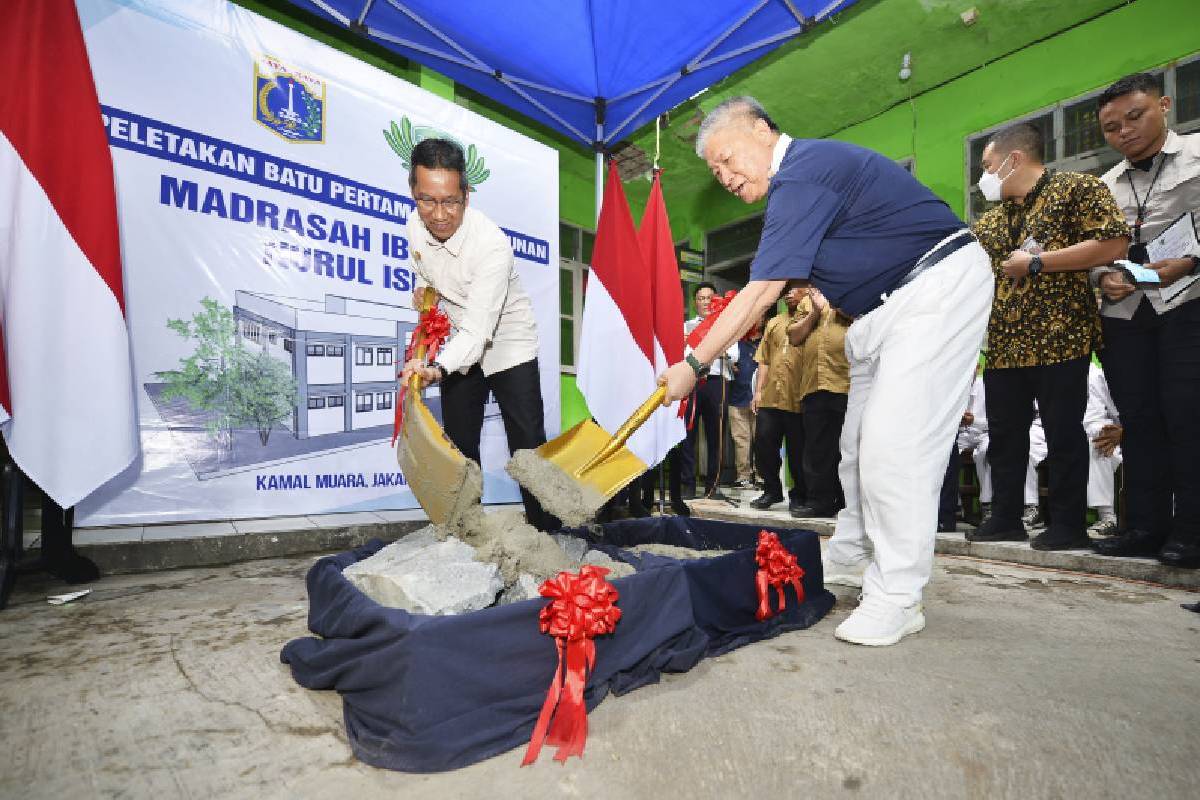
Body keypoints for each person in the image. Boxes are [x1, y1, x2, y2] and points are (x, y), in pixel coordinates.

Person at [659, 96, 993, 647]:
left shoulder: (804, 172)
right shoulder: (797, 188)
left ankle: (898, 596)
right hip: (872, 316)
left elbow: (760, 292)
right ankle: (852, 552)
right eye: (714, 171)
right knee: (857, 449)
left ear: (764, 130)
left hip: (933, 289)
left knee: (895, 448)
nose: (723, 175)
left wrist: (693, 364)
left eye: (727, 157)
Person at [967, 122, 1129, 551]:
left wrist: (1040, 263)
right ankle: (1004, 517)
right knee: (1004, 435)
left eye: (986, 166)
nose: (982, 177)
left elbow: (1113, 243)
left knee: (1062, 432)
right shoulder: (991, 221)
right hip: (1004, 344)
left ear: (1012, 160)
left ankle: (1068, 523)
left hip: (1061, 336)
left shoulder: (1077, 189)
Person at [399, 138, 558, 532]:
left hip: (508, 346)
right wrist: (424, 296)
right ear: (413, 193)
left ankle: (547, 534)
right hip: (460, 344)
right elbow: (428, 279)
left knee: (527, 448)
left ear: (466, 195)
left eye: (450, 201)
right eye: (427, 200)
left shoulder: (491, 245)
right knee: (458, 445)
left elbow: (478, 331)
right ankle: (464, 529)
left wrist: (437, 368)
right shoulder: (414, 227)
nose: (438, 214)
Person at [1090, 73, 1200, 568]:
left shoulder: (1198, 156)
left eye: (1135, 117)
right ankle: (1144, 528)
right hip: (1125, 315)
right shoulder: (1104, 186)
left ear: (1165, 105)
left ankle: (1191, 533)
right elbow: (1092, 250)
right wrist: (1101, 278)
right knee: (1139, 421)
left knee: (1187, 418)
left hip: (1186, 305)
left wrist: (1192, 261)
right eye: (1112, 128)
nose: (1125, 132)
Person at [787, 287, 851, 519]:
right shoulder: (807, 302)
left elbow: (864, 321)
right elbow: (794, 336)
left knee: (848, 448)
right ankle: (819, 502)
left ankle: (848, 503)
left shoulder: (852, 292)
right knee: (816, 448)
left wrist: (836, 304)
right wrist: (814, 312)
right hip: (813, 384)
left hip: (845, 383)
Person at [749, 284, 807, 513]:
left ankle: (800, 495)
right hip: (771, 397)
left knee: (798, 450)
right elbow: (764, 358)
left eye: (795, 290)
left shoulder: (813, 321)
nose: (789, 294)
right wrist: (759, 391)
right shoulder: (774, 323)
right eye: (787, 291)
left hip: (798, 397)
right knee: (763, 443)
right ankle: (771, 490)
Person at [679, 282, 740, 499]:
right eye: (701, 298)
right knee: (687, 434)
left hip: (717, 382)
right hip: (692, 382)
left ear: (716, 301)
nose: (706, 302)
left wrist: (715, 340)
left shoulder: (725, 324)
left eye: (709, 298)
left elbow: (734, 355)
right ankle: (686, 485)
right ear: (695, 303)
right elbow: (682, 355)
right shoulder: (686, 326)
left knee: (717, 436)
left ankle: (713, 487)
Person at [727, 317, 762, 491]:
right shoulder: (735, 342)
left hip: (761, 399)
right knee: (741, 440)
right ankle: (743, 477)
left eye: (760, 316)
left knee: (761, 439)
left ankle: (762, 476)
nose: (756, 321)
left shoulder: (766, 341)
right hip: (737, 397)